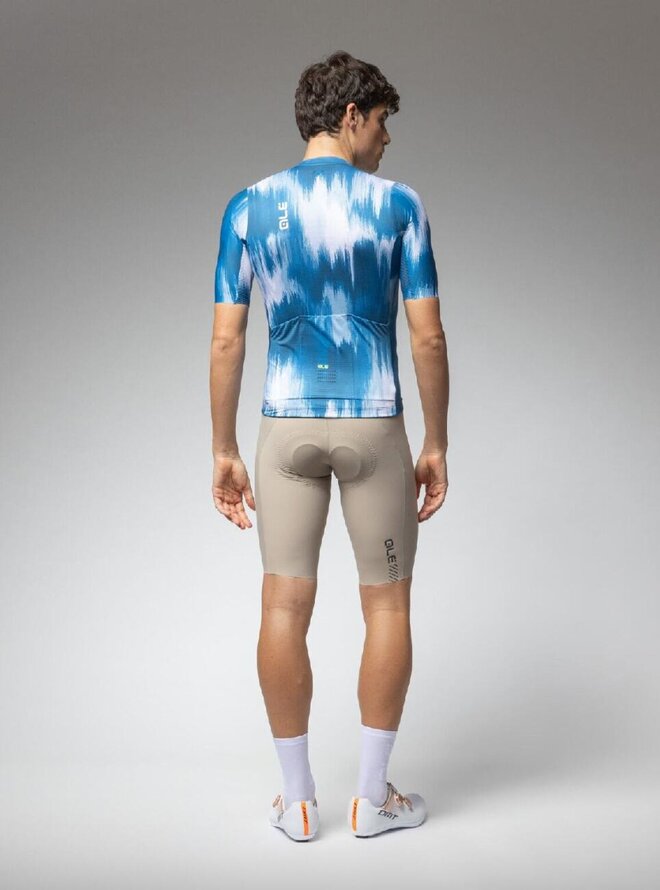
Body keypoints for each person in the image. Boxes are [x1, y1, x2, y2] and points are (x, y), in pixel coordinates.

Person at [210, 50, 449, 841]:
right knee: (388, 604)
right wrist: (438, 439)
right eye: (381, 123)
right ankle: (373, 800)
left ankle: (299, 801)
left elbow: (226, 341)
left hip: (284, 427)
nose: (386, 139)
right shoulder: (400, 206)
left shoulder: (248, 207)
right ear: (350, 117)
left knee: (282, 605)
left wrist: (223, 448)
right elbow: (428, 338)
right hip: (373, 422)